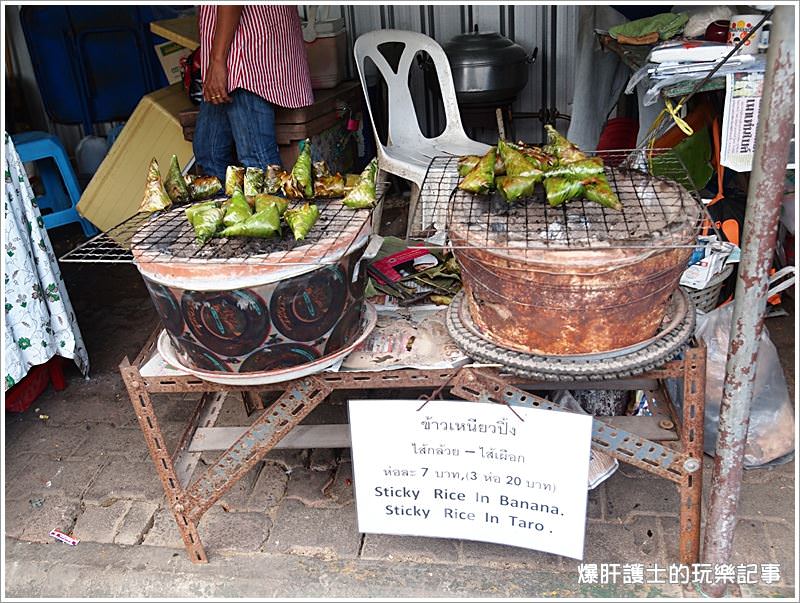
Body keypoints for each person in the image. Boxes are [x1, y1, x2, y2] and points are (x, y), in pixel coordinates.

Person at [193, 5, 314, 181]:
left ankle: (271, 205)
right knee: (210, 154)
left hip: (242, 54)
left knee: (257, 161)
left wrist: (217, 60)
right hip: (236, 52)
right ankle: (226, 207)